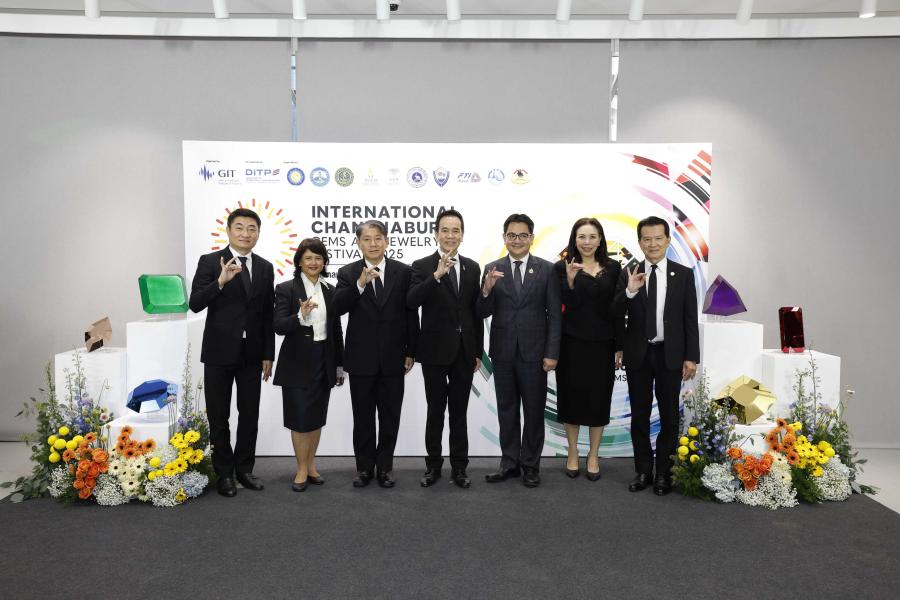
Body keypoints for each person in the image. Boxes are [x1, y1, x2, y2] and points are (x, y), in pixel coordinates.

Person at [188, 207, 274, 497]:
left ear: (258, 233)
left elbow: (267, 314)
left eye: (252, 229)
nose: (245, 234)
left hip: (252, 354)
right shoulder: (211, 261)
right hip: (219, 352)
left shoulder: (265, 267)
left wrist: (268, 353)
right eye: (239, 227)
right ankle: (224, 474)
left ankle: (244, 470)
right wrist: (220, 282)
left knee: (249, 414)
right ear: (228, 231)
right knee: (219, 416)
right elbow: (195, 303)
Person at [614, 216, 699, 496]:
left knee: (669, 417)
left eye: (658, 238)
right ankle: (642, 471)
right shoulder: (629, 271)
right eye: (647, 239)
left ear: (668, 240)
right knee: (639, 415)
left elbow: (689, 318)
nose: (652, 244)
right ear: (640, 242)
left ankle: (664, 473)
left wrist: (691, 356)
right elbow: (614, 312)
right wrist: (630, 291)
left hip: (669, 354)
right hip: (638, 353)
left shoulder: (683, 274)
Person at [476, 213, 561, 488]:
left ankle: (530, 465)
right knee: (507, 410)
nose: (517, 240)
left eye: (522, 235)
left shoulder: (547, 269)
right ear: (504, 238)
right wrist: (486, 290)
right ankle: (509, 463)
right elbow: (482, 311)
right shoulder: (492, 268)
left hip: (535, 354)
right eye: (511, 235)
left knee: (534, 412)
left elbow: (555, 315)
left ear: (531, 238)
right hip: (502, 353)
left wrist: (552, 352)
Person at [333, 220, 418, 488]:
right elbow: (337, 307)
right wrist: (359, 284)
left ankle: (385, 468)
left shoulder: (403, 271)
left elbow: (411, 313)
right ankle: (364, 468)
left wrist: (411, 350)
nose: (373, 243)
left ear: (387, 241)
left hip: (394, 357)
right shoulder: (348, 272)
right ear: (358, 243)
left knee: (390, 416)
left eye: (378, 238)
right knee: (363, 418)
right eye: (367, 239)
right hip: (361, 358)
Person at [407, 209, 484, 489]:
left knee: (459, 413)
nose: (450, 235)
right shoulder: (422, 265)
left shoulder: (473, 267)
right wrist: (436, 276)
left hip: (464, 352)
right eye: (445, 230)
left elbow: (475, 313)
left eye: (456, 230)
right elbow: (412, 301)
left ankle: (460, 468)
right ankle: (433, 466)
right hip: (434, 351)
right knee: (436, 411)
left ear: (462, 234)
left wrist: (478, 352)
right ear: (436, 234)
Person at [273, 238, 345, 492]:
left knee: (316, 417)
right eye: (308, 258)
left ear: (324, 262)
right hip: (297, 362)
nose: (314, 263)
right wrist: (299, 316)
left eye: (318, 258)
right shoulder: (286, 289)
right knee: (299, 418)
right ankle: (301, 468)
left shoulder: (331, 290)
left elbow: (336, 330)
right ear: (299, 262)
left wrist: (339, 365)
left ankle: (311, 464)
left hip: (324, 359)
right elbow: (279, 326)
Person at [553, 218, 622, 481]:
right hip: (571, 344)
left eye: (592, 236)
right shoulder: (562, 267)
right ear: (574, 239)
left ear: (600, 239)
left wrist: (619, 346)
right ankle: (572, 452)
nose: (587, 242)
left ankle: (593, 454)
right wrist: (570, 282)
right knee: (571, 399)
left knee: (598, 401)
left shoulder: (614, 268)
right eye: (582, 236)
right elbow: (563, 307)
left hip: (603, 345)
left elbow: (617, 310)